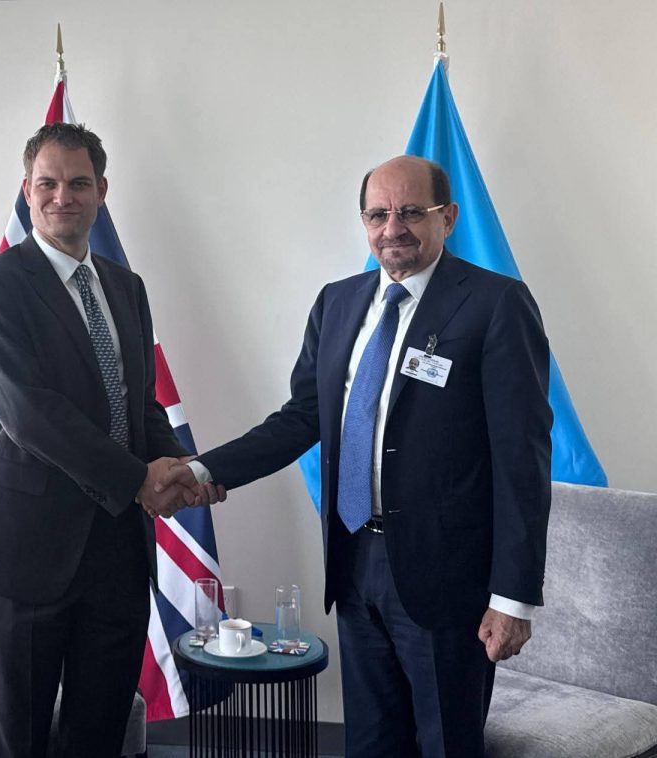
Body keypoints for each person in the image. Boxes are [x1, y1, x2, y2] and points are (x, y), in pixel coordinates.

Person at [156, 156, 552, 757]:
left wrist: (512, 597)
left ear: (448, 217)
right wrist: (202, 470)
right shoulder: (337, 303)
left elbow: (523, 459)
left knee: (446, 744)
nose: (393, 228)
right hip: (354, 560)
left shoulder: (495, 303)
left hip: (447, 579)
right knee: (370, 744)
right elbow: (301, 419)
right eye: (377, 214)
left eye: (411, 212)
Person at [0, 123, 221, 758]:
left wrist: (183, 469)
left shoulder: (126, 287)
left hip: (118, 546)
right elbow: (30, 413)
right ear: (27, 191)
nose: (62, 196)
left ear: (102, 191)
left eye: (78, 183)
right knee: (21, 734)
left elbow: (139, 403)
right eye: (48, 183)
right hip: (29, 548)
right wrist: (138, 479)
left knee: (100, 728)